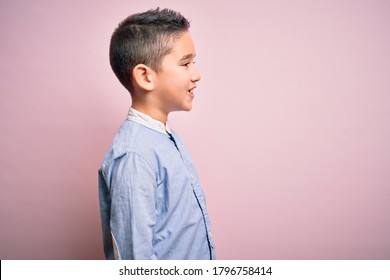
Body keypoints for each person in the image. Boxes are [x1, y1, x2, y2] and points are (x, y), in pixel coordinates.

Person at [98, 8, 216, 260]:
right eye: (185, 64)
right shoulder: (133, 156)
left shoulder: (168, 137)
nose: (196, 74)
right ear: (145, 76)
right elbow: (133, 262)